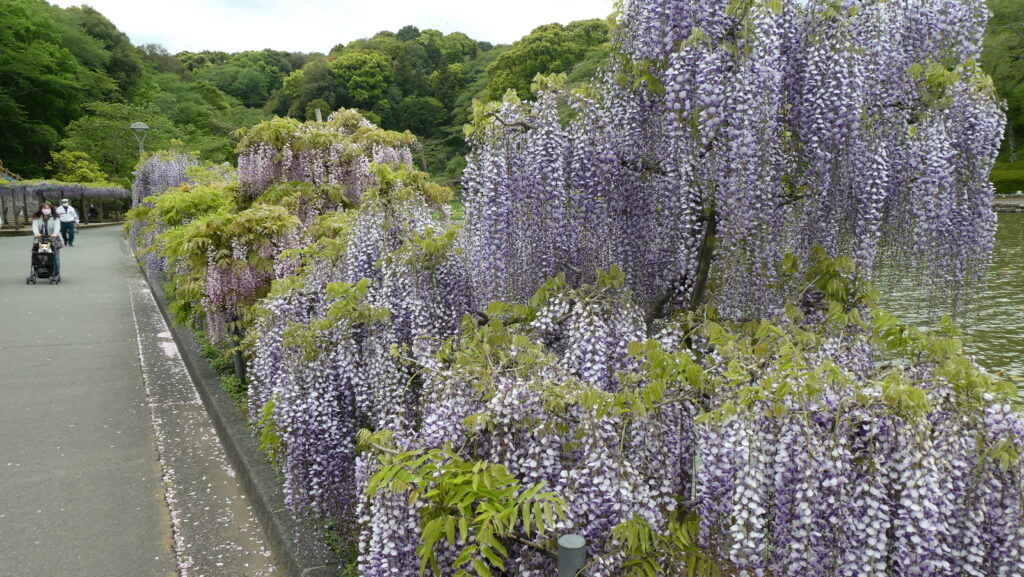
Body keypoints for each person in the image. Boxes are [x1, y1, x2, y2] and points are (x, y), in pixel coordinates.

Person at [32, 202, 61, 277]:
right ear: (41, 209)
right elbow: (34, 226)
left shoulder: (55, 218)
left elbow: (57, 226)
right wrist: (36, 233)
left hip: (53, 240)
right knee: (43, 257)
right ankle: (44, 272)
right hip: (41, 239)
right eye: (44, 208)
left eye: (48, 208)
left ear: (51, 209)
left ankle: (56, 273)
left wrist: (55, 234)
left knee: (55, 257)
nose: (46, 210)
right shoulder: (37, 218)